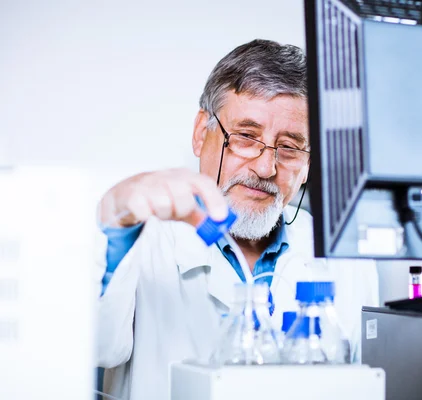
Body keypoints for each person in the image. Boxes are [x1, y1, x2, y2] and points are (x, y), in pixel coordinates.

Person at [94, 39, 379, 400]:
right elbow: (94, 347)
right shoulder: (142, 239)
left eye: (289, 147)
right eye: (246, 137)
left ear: (308, 162)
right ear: (202, 133)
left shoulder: (345, 255)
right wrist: (114, 224)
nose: (265, 167)